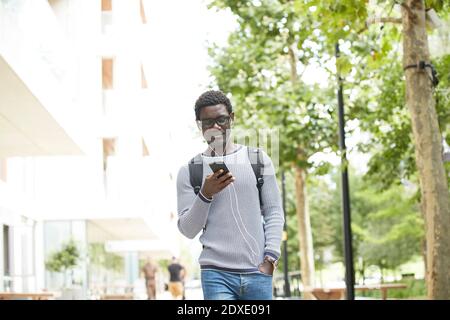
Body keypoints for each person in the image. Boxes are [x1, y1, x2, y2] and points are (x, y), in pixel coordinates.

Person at [176, 90, 284, 300]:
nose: (215, 127)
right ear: (199, 125)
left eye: (221, 120)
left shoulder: (258, 160)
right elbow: (187, 229)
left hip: (258, 271)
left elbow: (274, 212)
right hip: (216, 275)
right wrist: (205, 195)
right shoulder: (190, 171)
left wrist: (271, 258)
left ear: (232, 118)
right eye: (207, 122)